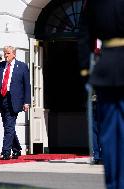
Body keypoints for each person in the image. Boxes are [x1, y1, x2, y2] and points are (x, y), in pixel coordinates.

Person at [79, 1, 124, 188]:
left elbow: (84, 36)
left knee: (111, 134)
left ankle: (115, 185)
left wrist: (85, 71)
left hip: (107, 68)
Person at [0, 46, 30, 160]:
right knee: (9, 126)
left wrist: (26, 102)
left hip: (15, 100)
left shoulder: (22, 66)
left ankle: (6, 152)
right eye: (4, 53)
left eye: (8, 53)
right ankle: (17, 149)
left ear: (14, 54)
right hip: (2, 99)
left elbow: (27, 86)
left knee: (9, 126)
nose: (5, 55)